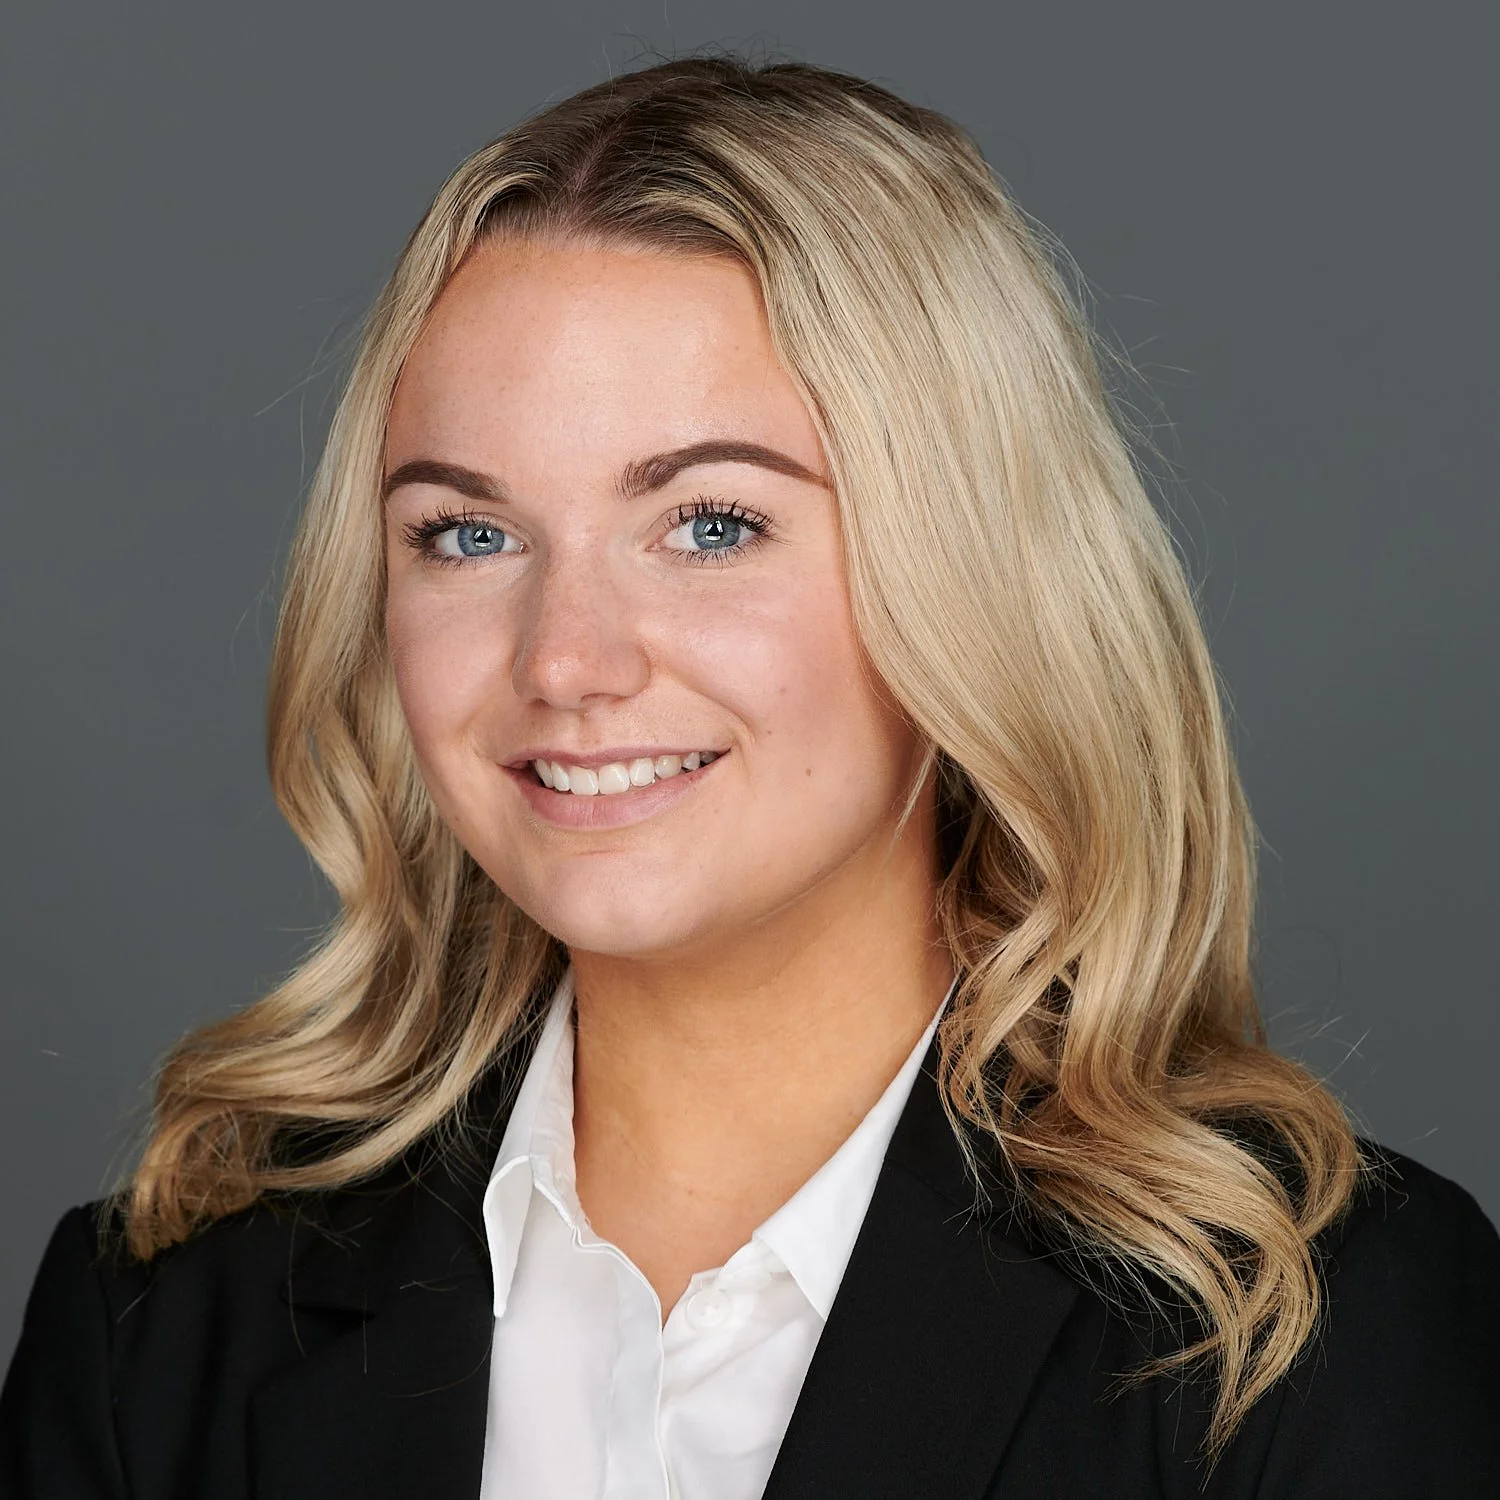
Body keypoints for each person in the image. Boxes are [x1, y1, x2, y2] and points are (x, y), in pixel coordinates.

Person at [2, 53, 1496, 1500]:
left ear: (969, 571)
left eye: (710, 525)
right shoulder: (158, 1332)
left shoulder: (1310, 1335)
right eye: (469, 533)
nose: (564, 660)